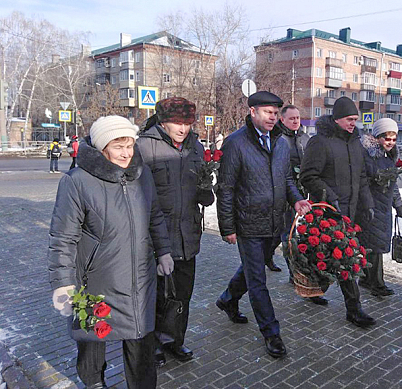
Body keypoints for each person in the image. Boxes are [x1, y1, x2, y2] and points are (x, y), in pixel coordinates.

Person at [48, 116, 173, 389]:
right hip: (93, 282)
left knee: (141, 342)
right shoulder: (77, 181)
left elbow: (155, 217)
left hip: (140, 278)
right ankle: (93, 383)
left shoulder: (143, 174)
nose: (127, 153)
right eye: (119, 146)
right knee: (92, 343)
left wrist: (163, 251)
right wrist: (63, 284)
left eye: (129, 145)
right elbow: (63, 238)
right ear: (104, 147)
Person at [215, 91, 311, 358]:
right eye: (268, 112)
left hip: (274, 222)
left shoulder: (280, 142)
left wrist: (297, 201)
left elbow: (287, 180)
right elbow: (225, 188)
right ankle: (272, 334)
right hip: (247, 223)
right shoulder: (235, 143)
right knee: (258, 280)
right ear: (253, 112)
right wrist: (228, 227)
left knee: (251, 269)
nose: (273, 118)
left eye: (276, 113)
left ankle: (228, 299)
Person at [137, 97, 215, 367]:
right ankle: (154, 346)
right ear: (162, 120)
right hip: (157, 238)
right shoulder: (144, 146)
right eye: (176, 122)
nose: (183, 128)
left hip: (188, 235)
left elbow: (204, 197)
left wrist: (207, 189)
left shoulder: (195, 146)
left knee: (183, 294)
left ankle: (175, 341)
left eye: (187, 123)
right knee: (158, 297)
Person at [300, 96, 377, 327]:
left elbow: (362, 177)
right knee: (342, 260)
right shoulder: (320, 142)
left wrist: (368, 203)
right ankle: (352, 308)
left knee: (340, 258)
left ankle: (322, 293)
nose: (353, 123)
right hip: (329, 213)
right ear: (336, 119)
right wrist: (330, 197)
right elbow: (308, 176)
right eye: (348, 119)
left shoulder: (355, 143)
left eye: (355, 119)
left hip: (350, 213)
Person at [357, 118, 402, 297]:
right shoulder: (367, 155)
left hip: (383, 207)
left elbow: (393, 185)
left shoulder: (390, 157)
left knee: (372, 245)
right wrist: (367, 203)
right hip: (369, 206)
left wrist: (399, 205)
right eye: (387, 138)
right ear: (377, 137)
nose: (390, 143)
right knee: (374, 246)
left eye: (393, 139)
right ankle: (377, 284)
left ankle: (365, 278)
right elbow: (362, 181)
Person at [264, 105, 311, 277]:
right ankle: (294, 273)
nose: (296, 121)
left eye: (298, 118)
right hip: (282, 192)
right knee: (288, 233)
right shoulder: (277, 139)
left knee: (283, 231)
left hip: (299, 192)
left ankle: (266, 256)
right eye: (292, 118)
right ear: (282, 120)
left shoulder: (304, 137)